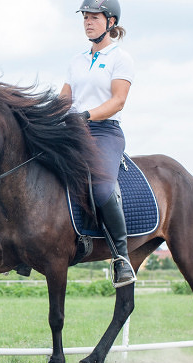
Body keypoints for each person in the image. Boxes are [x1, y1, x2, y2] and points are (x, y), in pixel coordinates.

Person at [60, 0, 136, 287]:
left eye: (94, 17)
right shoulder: (76, 60)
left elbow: (118, 100)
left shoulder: (121, 58)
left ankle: (121, 258)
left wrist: (86, 115)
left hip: (104, 131)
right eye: (85, 17)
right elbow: (64, 99)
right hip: (74, 131)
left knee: (102, 186)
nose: (88, 22)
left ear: (111, 22)